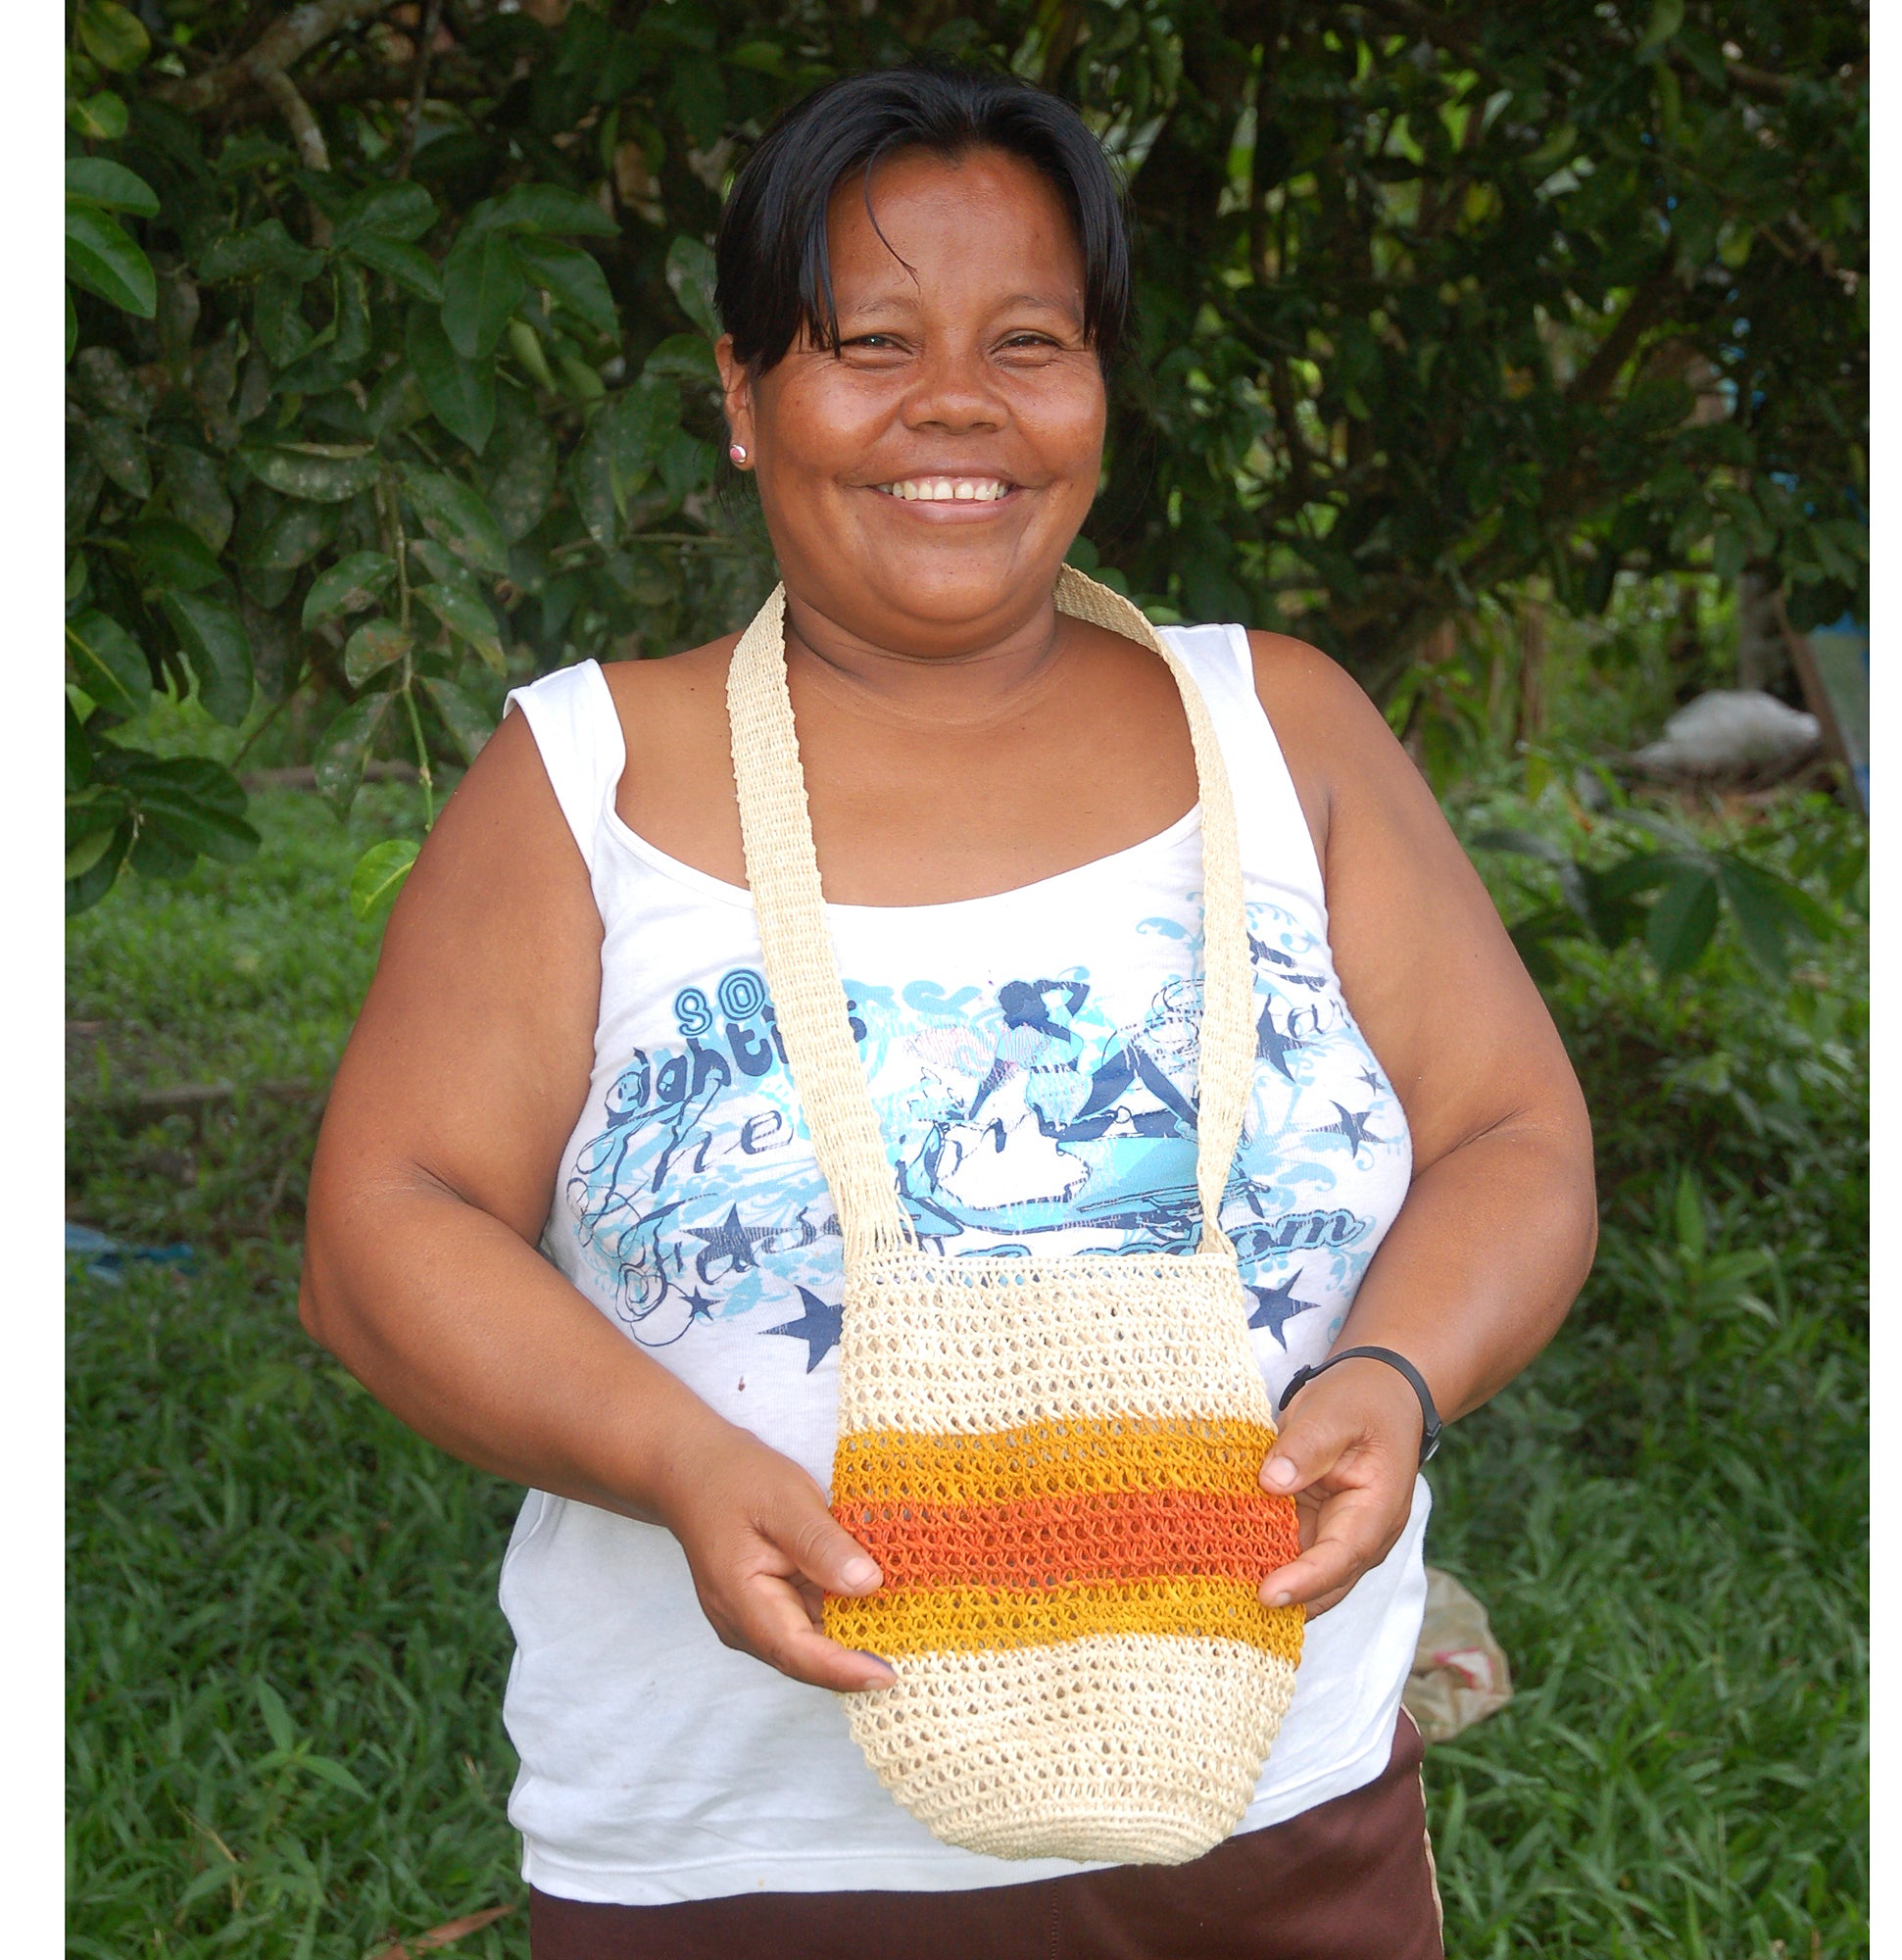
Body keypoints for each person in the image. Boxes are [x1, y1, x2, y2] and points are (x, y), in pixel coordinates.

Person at [300, 63, 1595, 1960]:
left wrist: (1390, 1377)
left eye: (1028, 341)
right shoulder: (581, 775)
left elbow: (1511, 1134)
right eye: (871, 340)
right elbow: (382, 1228)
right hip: (743, 1857)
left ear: (1098, 388)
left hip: (1270, 1812)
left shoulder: (1282, 726)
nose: (958, 404)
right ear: (745, 400)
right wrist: (681, 1461)